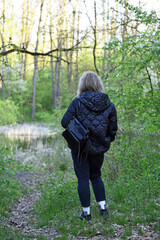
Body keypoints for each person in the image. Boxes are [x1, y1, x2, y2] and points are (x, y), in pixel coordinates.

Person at [61, 71, 117, 221]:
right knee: (96, 176)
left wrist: (80, 132)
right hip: (99, 148)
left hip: (80, 148)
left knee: (83, 179)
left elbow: (64, 122)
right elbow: (113, 129)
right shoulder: (109, 104)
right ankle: (103, 208)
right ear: (98, 84)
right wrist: (104, 140)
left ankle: (86, 213)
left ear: (82, 84)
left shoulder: (77, 102)